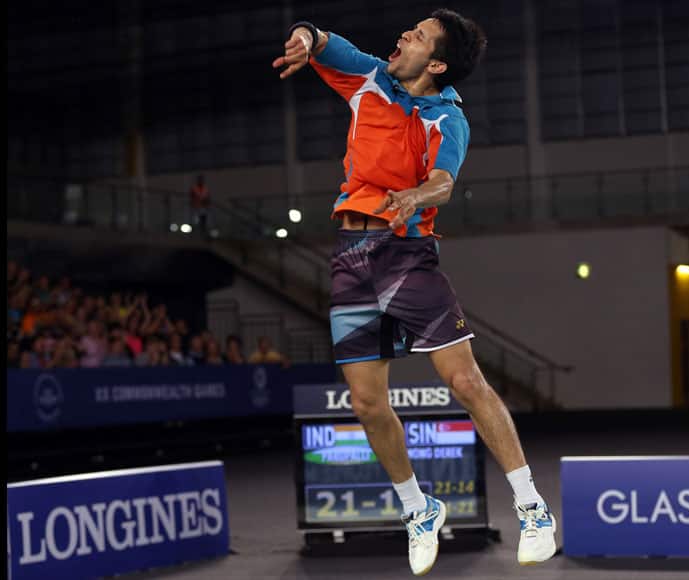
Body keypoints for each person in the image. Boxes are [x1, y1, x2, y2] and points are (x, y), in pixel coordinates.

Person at [273, 11, 556, 575]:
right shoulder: (372, 77)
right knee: (366, 403)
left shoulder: (446, 117)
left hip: (406, 256)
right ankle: (419, 509)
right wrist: (305, 38)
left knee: (465, 380)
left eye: (419, 36)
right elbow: (325, 37)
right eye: (410, 30)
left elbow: (445, 181)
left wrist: (416, 197)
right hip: (351, 260)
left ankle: (532, 507)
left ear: (438, 63)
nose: (404, 35)